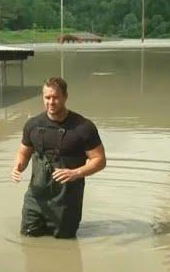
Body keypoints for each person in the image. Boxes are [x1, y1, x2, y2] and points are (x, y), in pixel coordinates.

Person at [12, 77, 106, 239]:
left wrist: (75, 173)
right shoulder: (33, 125)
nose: (51, 102)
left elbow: (100, 160)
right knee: (27, 243)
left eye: (55, 97)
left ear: (65, 97)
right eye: (47, 97)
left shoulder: (83, 127)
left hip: (66, 203)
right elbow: (23, 153)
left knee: (66, 245)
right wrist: (18, 166)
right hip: (35, 199)